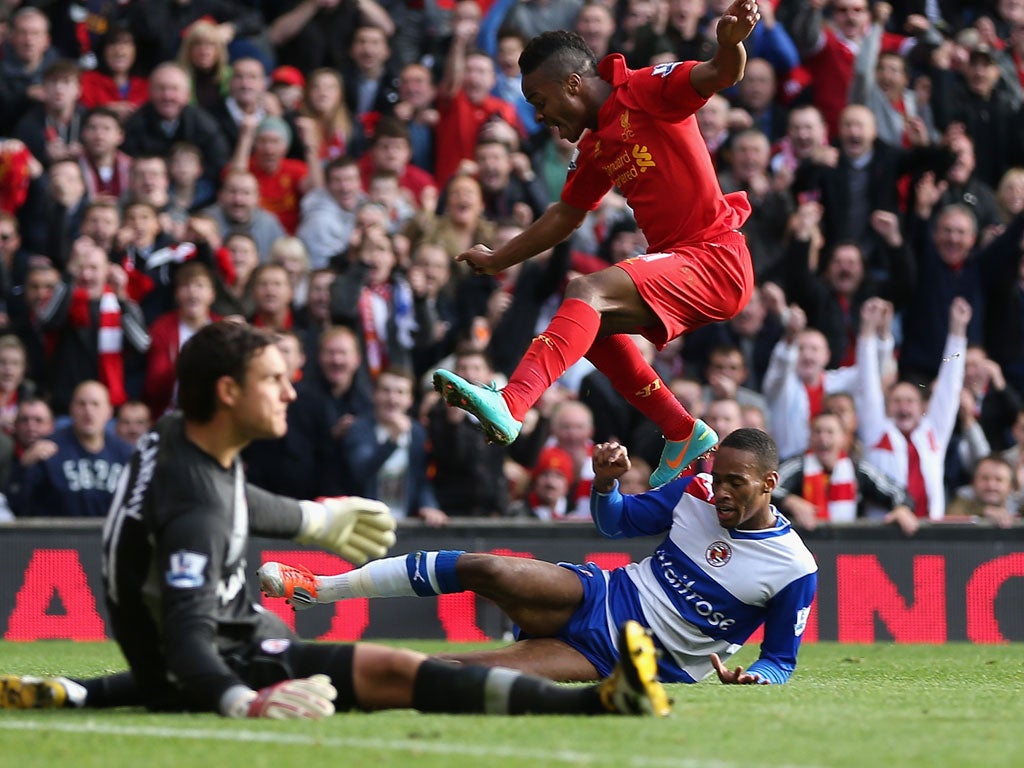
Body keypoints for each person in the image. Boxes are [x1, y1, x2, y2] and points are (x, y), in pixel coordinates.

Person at [0, 321, 667, 719]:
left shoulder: (181, 435)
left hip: (219, 639)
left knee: (315, 666)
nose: (291, 391)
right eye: (273, 380)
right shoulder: (197, 508)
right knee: (394, 671)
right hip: (224, 658)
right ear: (228, 393)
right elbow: (186, 648)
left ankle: (76, 691)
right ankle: (599, 703)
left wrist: (309, 521)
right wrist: (244, 703)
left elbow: (232, 500)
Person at [432, 12, 762, 489]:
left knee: (587, 288)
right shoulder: (595, 147)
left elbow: (722, 73)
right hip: (688, 264)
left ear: (572, 83)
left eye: (539, 101)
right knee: (591, 325)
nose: (539, 116)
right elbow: (566, 215)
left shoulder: (645, 88)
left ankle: (512, 402)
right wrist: (498, 258)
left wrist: (730, 43)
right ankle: (681, 429)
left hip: (715, 256)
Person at [261, 427, 817, 685]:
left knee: (456, 673)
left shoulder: (794, 568)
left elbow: (780, 661)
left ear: (769, 483)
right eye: (718, 477)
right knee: (487, 567)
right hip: (602, 594)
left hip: (625, 659)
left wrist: (756, 679)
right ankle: (321, 589)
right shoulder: (694, 491)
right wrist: (604, 485)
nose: (719, 491)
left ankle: (307, 678)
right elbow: (616, 523)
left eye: (735, 483)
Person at [773, 410, 919, 536]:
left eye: (830, 432)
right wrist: (790, 502)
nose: (823, 438)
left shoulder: (859, 469)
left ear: (843, 438)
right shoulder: (797, 465)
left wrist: (902, 509)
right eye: (817, 432)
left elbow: (898, 493)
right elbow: (767, 490)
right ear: (810, 437)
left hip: (847, 553)